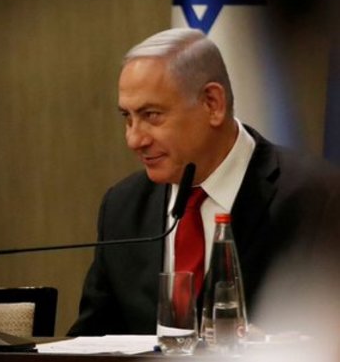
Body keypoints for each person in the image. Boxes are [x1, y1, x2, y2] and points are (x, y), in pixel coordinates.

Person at [68, 28, 340, 336]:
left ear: (212, 103)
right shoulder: (123, 207)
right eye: (127, 117)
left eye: (151, 115)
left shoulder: (318, 198)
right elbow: (89, 340)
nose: (134, 139)